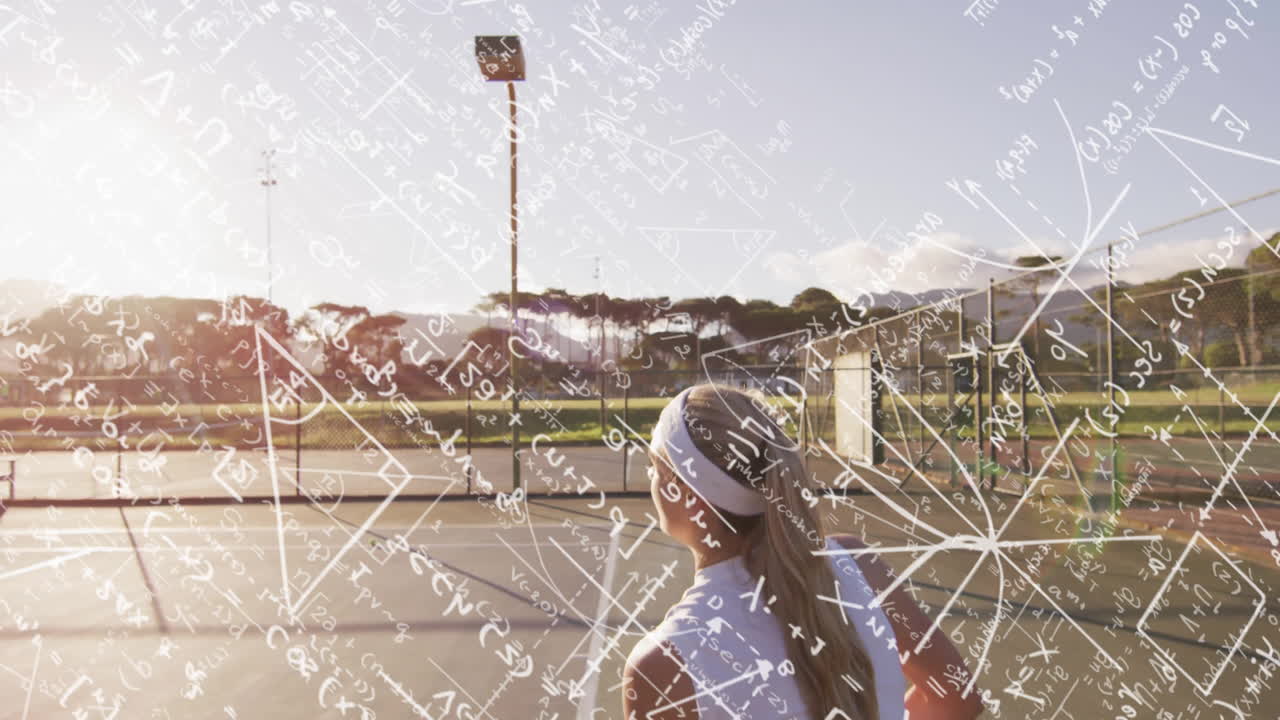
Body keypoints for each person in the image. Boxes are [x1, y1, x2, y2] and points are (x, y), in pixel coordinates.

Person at [622, 384, 984, 720]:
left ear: (688, 496)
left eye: (656, 467)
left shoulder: (662, 664)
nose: (650, 478)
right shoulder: (860, 565)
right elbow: (955, 695)